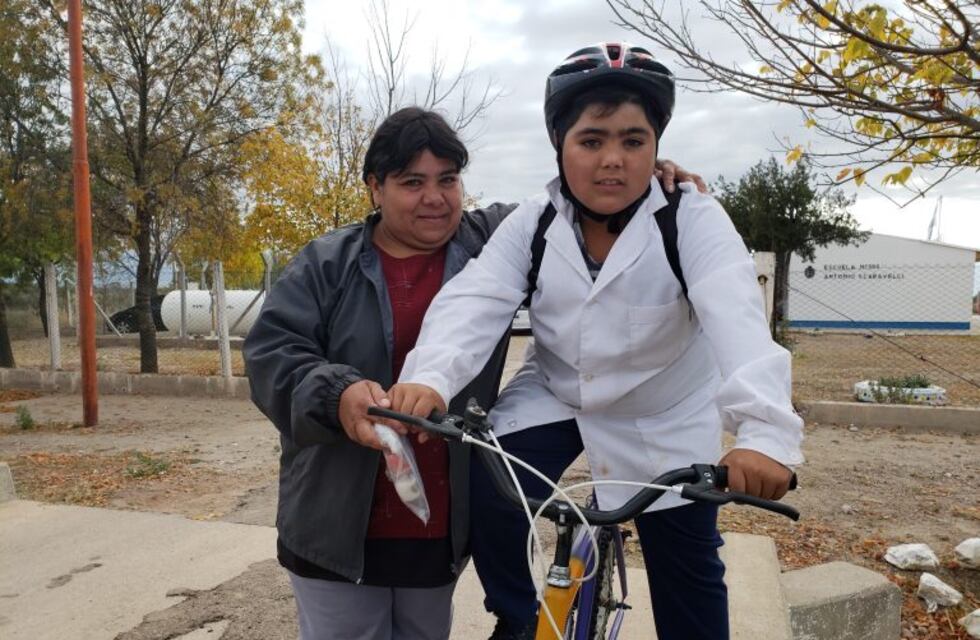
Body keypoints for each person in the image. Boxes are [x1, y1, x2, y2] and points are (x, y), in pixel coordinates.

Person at [392, 43, 804, 640]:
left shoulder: (691, 218)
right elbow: (474, 300)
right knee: (494, 496)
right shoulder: (534, 221)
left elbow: (738, 319)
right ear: (560, 144)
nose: (613, 160)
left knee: (687, 571)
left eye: (633, 141)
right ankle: (519, 618)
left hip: (664, 413)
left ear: (657, 148)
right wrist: (428, 376)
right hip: (559, 393)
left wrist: (764, 433)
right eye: (592, 141)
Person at [243, 105, 701, 640]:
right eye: (412, 182)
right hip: (337, 518)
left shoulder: (493, 239)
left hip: (437, 521)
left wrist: (637, 174)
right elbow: (273, 354)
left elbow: (579, 201)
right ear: (374, 187)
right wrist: (337, 396)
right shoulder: (327, 264)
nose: (435, 198)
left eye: (448, 180)